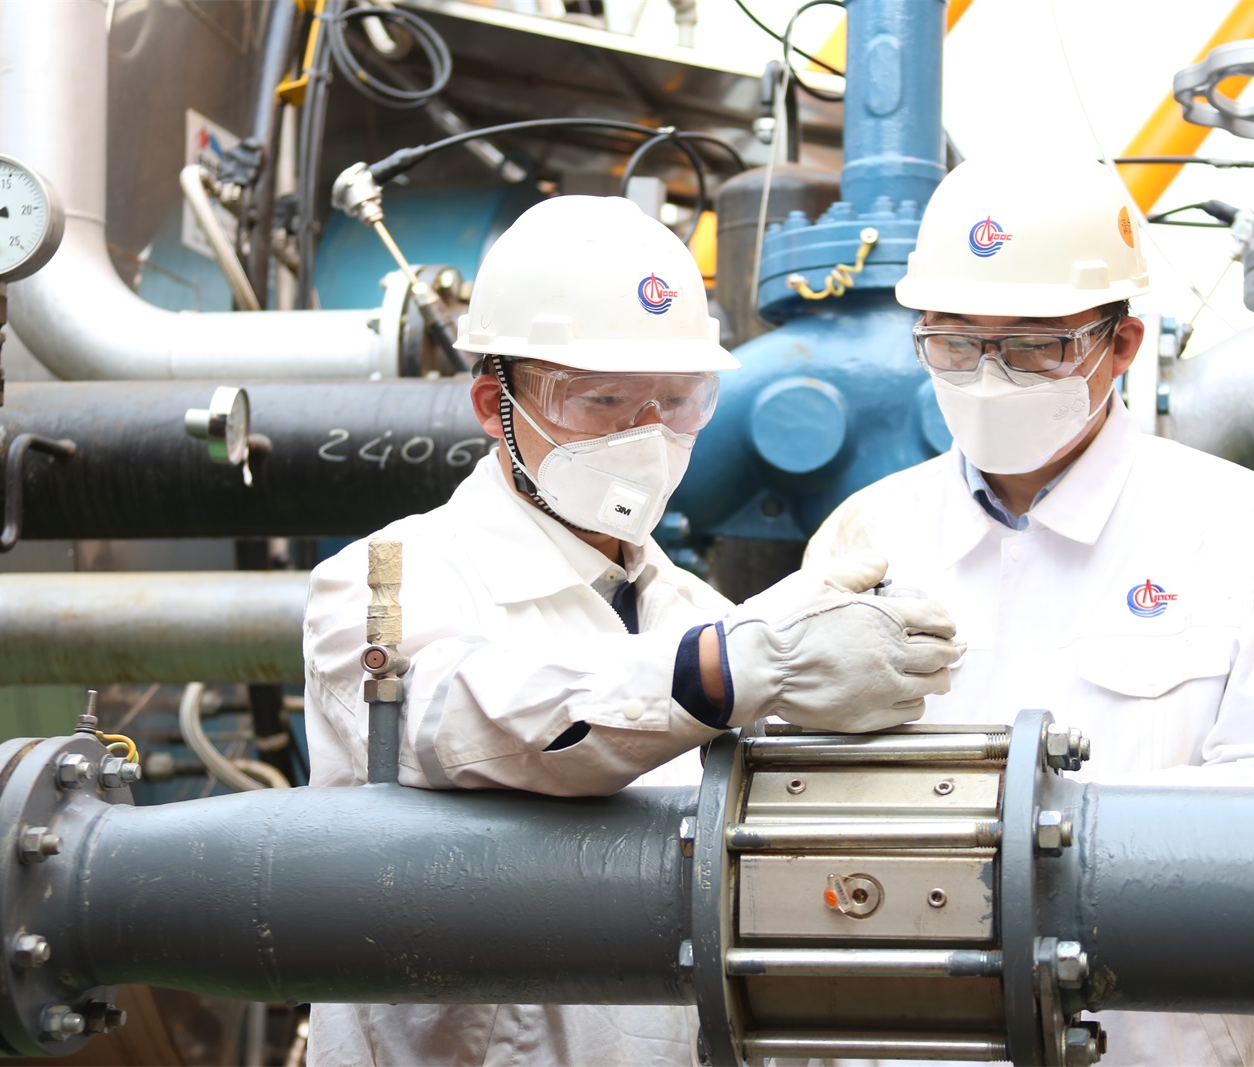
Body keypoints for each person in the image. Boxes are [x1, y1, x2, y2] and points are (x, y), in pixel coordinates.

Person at [302, 195, 961, 1066]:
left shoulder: (699, 613)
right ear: (494, 402)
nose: (645, 434)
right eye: (602, 398)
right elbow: (465, 724)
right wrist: (735, 665)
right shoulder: (385, 581)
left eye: (678, 400)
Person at [806, 157, 1254, 1066]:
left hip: (1161, 1035)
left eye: (1033, 347)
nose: (988, 379)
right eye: (954, 344)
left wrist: (1036, 839)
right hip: (918, 1032)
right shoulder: (868, 530)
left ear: (1121, 344)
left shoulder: (1251, 528)